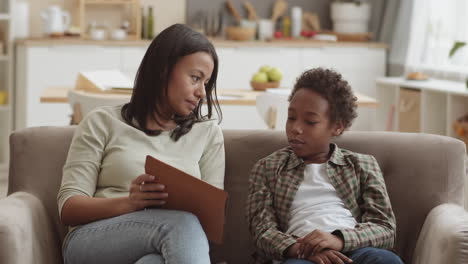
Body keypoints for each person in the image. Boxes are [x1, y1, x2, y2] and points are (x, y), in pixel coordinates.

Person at [57, 24, 224, 264]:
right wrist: (129, 203)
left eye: (206, 83)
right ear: (163, 70)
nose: (201, 92)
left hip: (174, 243)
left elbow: (211, 222)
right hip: (93, 240)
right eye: (195, 78)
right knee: (182, 224)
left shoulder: (208, 134)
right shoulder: (102, 122)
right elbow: (69, 208)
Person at [246, 68, 403, 264]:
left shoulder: (362, 165)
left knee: (386, 260)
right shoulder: (268, 168)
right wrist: (301, 250)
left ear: (337, 126)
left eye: (310, 121)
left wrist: (338, 240)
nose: (296, 128)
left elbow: (385, 228)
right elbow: (261, 230)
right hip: (300, 253)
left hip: (353, 250)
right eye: (291, 117)